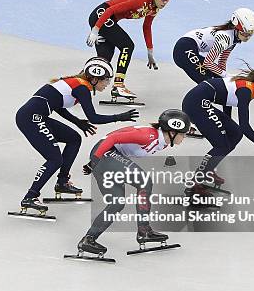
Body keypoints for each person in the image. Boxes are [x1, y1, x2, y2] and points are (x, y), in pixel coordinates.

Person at [15, 57, 140, 216]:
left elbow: (57, 105)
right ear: (94, 78)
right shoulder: (82, 88)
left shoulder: (75, 83)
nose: (107, 84)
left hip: (36, 116)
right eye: (105, 80)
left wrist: (78, 122)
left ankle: (62, 182)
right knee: (55, 159)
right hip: (31, 118)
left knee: (74, 138)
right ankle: (30, 197)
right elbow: (94, 118)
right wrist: (120, 117)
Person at [77, 109, 191, 256]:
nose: (184, 137)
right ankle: (144, 231)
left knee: (117, 203)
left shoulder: (162, 142)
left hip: (107, 156)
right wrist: (94, 162)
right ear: (172, 131)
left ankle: (88, 239)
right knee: (144, 182)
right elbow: (110, 139)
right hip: (104, 154)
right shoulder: (148, 136)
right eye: (183, 134)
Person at [181, 63, 254, 199]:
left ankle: (208, 169)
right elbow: (245, 126)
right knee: (222, 145)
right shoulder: (245, 91)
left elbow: (227, 99)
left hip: (200, 101)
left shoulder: (250, 87)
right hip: (195, 104)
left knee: (235, 133)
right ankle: (195, 183)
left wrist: (225, 124)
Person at [85, 0, 176, 101]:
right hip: (102, 16)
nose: (165, 2)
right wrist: (95, 30)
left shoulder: (153, 9)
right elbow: (111, 9)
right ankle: (118, 85)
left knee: (104, 58)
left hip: (107, 20)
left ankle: (81, 84)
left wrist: (150, 52)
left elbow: (147, 27)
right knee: (127, 46)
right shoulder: (141, 0)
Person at [173, 8, 254, 84]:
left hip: (188, 47)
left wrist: (225, 79)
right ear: (236, 28)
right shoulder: (225, 38)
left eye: (251, 33)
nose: (248, 37)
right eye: (245, 33)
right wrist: (226, 75)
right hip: (183, 50)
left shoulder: (234, 37)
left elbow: (222, 61)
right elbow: (208, 63)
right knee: (208, 82)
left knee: (217, 78)